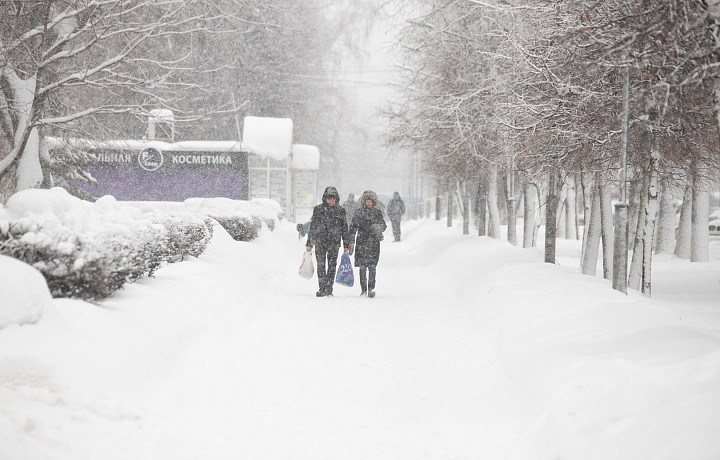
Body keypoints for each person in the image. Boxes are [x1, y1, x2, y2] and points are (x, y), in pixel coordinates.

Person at [305, 186, 350, 297]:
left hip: (334, 243)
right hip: (320, 241)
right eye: (329, 199)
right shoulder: (318, 209)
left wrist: (346, 244)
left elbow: (344, 228)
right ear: (325, 199)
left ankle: (329, 289)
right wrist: (309, 243)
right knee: (321, 265)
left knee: (331, 266)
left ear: (336, 199)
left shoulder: (340, 210)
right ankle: (322, 288)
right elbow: (313, 227)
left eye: (333, 199)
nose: (331, 201)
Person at [348, 190, 387, 297]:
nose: (369, 203)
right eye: (367, 201)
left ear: (373, 202)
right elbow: (353, 228)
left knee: (372, 266)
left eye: (371, 201)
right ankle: (363, 289)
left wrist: (378, 227)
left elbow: (384, 226)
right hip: (361, 242)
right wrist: (351, 241)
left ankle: (371, 288)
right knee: (362, 267)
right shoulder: (358, 213)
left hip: (374, 243)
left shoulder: (377, 212)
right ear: (364, 202)